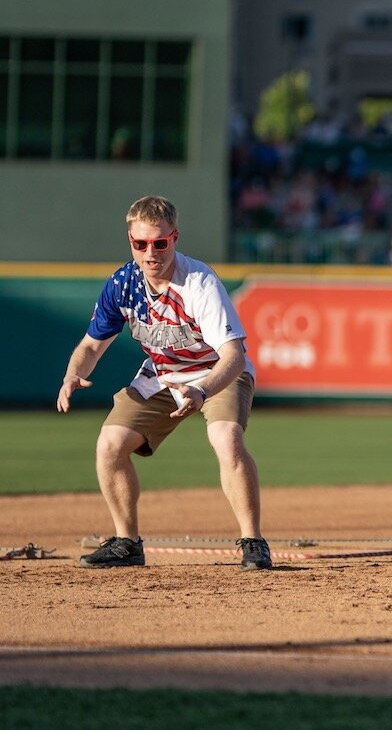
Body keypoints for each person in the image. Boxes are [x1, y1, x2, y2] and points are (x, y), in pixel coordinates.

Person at [57, 197, 271, 571]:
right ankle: (127, 543)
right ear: (131, 242)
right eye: (141, 244)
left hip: (215, 372)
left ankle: (253, 541)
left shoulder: (198, 281)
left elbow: (234, 355)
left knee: (226, 438)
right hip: (163, 373)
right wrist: (73, 372)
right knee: (109, 444)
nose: (151, 252)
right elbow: (92, 344)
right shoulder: (123, 284)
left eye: (160, 242)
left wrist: (203, 391)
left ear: (175, 238)